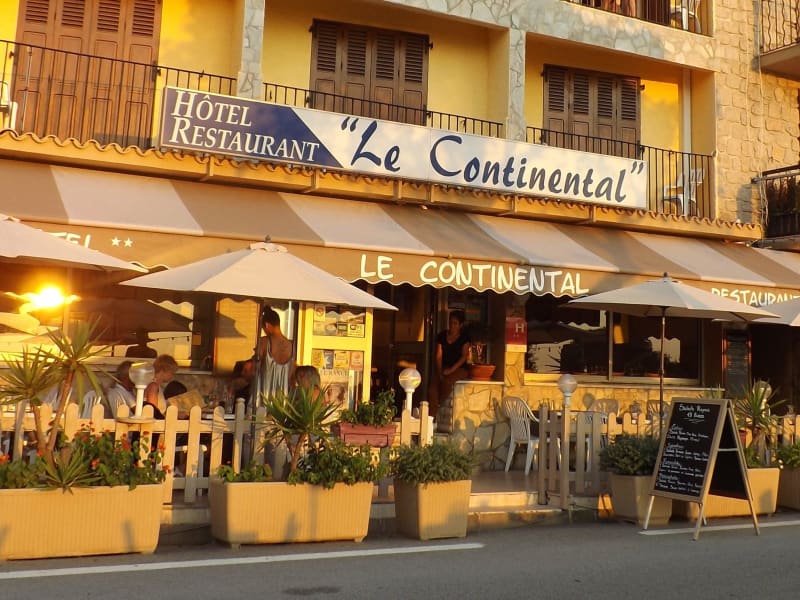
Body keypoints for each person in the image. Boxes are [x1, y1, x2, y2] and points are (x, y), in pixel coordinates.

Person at [430, 309, 470, 417]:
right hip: (444, 367)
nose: (452, 325)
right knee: (433, 388)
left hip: (459, 368)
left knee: (447, 383)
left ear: (460, 325)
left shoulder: (464, 338)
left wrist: (450, 370)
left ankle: (439, 408)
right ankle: (431, 417)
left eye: (455, 323)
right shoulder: (442, 336)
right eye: (450, 322)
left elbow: (464, 357)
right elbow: (438, 355)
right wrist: (440, 372)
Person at [255, 307, 294, 405]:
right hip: (283, 403)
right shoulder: (291, 346)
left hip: (264, 399)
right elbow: (291, 376)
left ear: (267, 325)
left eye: (263, 328)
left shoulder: (263, 342)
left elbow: (254, 370)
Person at [143, 354, 179, 418]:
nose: (172, 376)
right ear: (163, 370)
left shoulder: (157, 386)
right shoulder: (153, 386)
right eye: (172, 373)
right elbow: (154, 412)